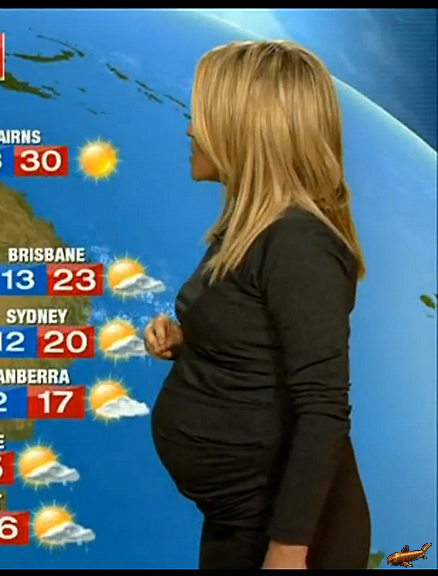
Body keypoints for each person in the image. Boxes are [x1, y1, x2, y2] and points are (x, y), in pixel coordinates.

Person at [145, 40, 371, 569]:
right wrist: (193, 344)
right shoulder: (253, 230)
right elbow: (260, 345)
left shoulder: (300, 245)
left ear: (246, 131)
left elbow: (323, 407)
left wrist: (288, 549)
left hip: (285, 539)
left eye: (203, 117)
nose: (190, 130)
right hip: (239, 520)